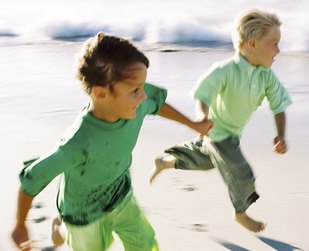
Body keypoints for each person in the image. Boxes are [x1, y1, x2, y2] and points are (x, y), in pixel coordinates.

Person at [11, 32, 213, 251]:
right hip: (82, 215)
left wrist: (193, 124)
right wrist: (19, 225)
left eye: (143, 87)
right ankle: (61, 229)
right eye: (135, 91)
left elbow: (156, 102)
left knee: (145, 244)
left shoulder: (136, 104)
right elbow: (32, 178)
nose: (143, 96)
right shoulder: (78, 144)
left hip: (120, 193)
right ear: (100, 94)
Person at [149, 8, 292, 233]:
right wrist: (202, 116)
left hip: (233, 134)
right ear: (252, 44)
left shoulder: (266, 76)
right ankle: (240, 213)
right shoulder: (226, 70)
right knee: (242, 173)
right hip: (217, 130)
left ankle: (166, 162)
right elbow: (202, 95)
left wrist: (281, 135)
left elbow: (279, 106)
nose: (278, 50)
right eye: (273, 43)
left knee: (206, 161)